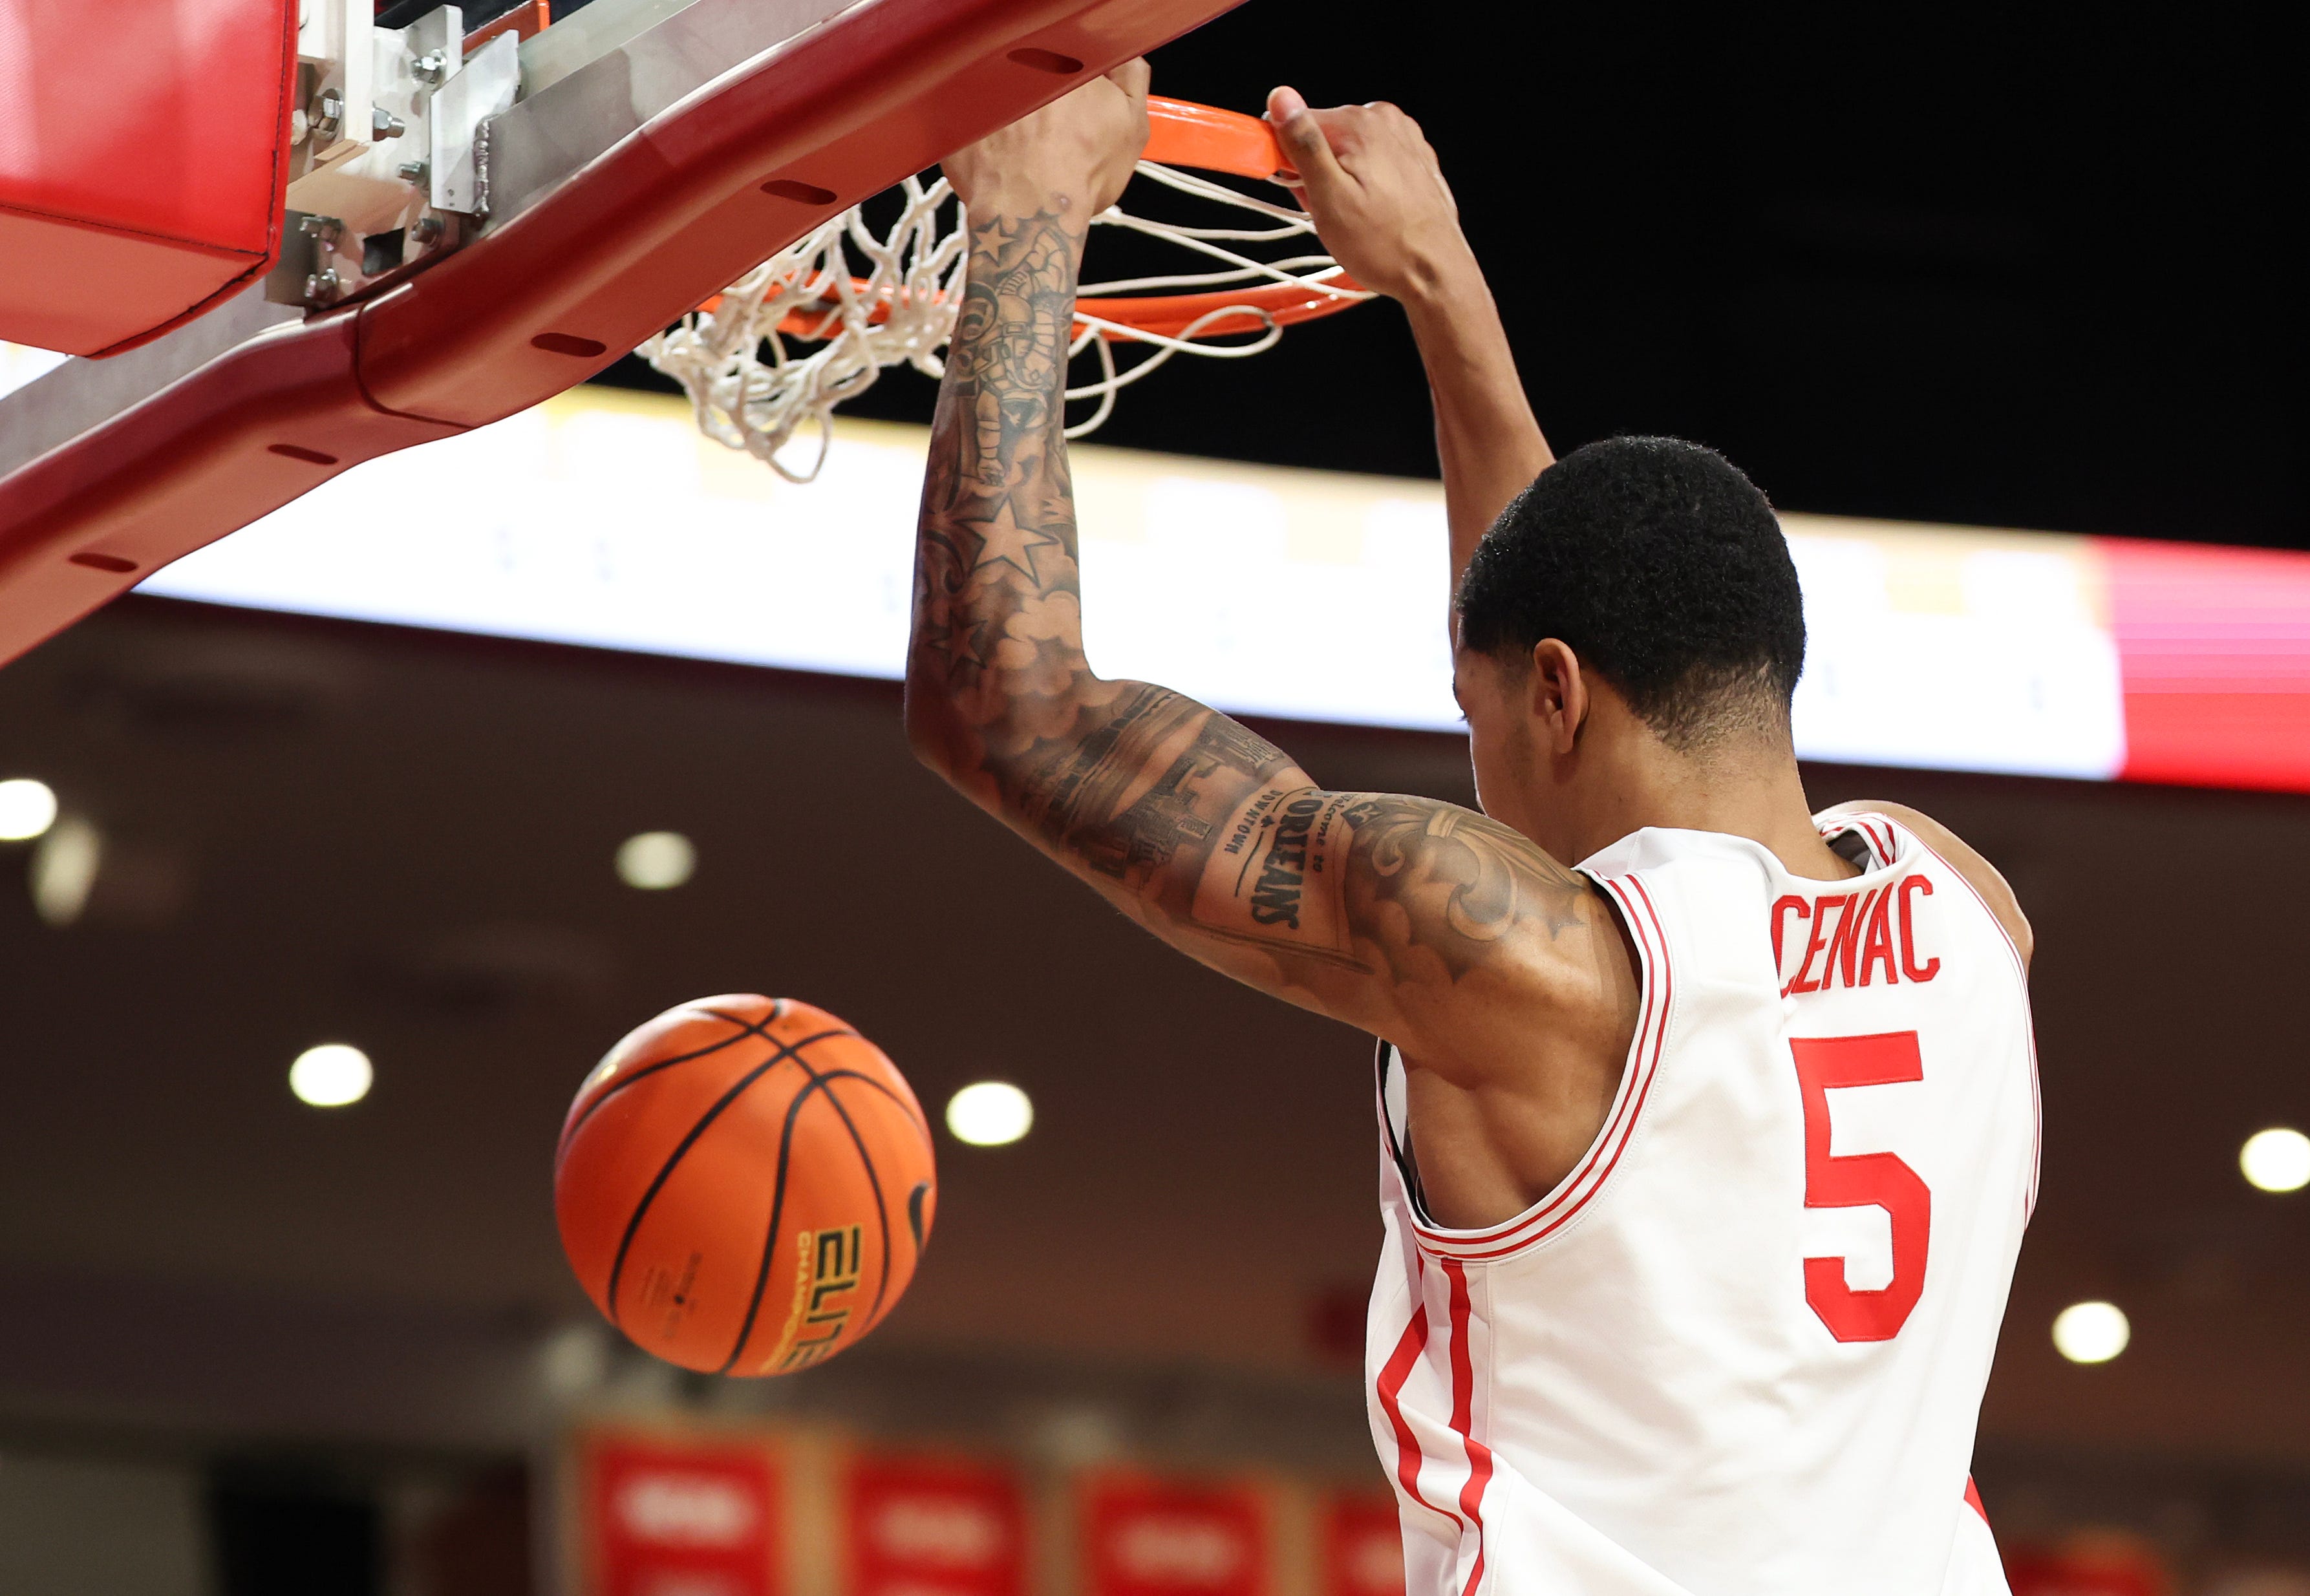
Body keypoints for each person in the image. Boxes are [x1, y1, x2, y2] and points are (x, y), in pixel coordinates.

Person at [905, 60, 2037, 1596]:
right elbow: (1594, 701)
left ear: (1555, 697)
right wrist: (1436, 283)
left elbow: (1005, 708)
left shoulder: (1531, 964)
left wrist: (1027, 215)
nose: (1475, 752)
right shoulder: (1966, 914)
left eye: (1477, 710)